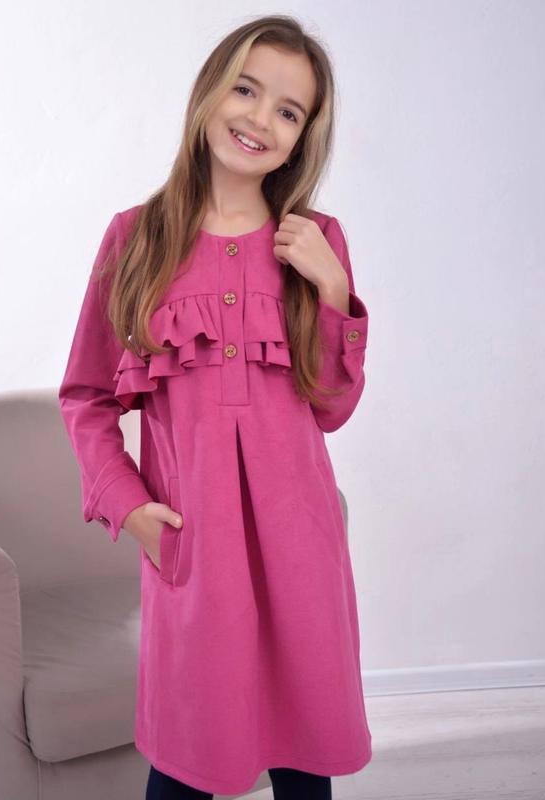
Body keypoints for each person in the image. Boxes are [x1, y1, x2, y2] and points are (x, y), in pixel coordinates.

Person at [58, 13, 372, 800]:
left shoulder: (317, 241)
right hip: (194, 547)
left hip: (300, 543)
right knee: (186, 756)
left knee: (305, 754)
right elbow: (86, 396)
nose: (259, 119)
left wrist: (333, 289)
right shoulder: (135, 239)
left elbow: (331, 409)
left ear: (301, 140)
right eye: (246, 90)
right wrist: (128, 504)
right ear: (208, 93)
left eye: (288, 111)